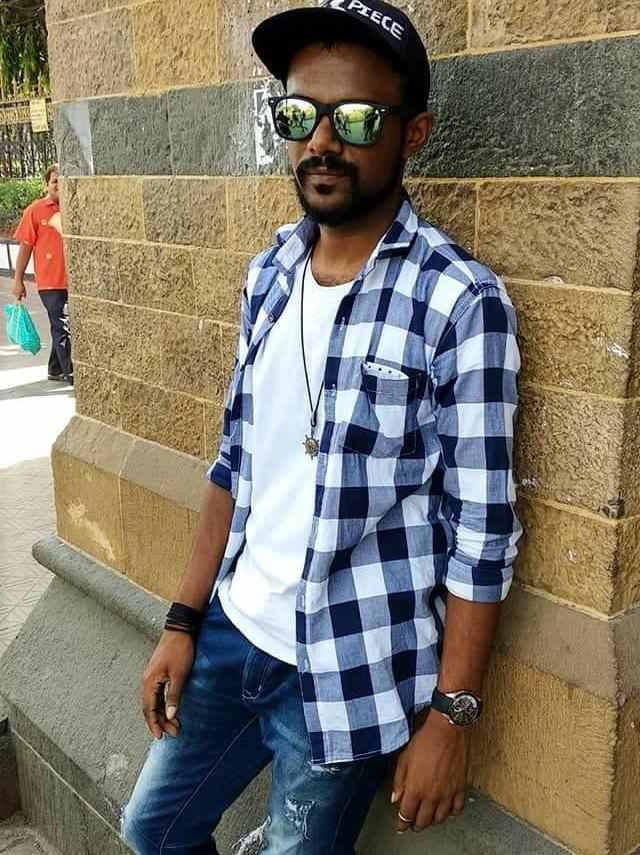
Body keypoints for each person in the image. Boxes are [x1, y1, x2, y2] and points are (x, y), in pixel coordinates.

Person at [121, 1, 521, 853]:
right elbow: (234, 463)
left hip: (346, 670)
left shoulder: (459, 300)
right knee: (151, 829)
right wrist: (182, 621)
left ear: (413, 134)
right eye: (299, 115)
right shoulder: (269, 272)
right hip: (232, 633)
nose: (323, 142)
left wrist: (452, 715)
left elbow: (483, 532)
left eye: (358, 118)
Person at [12, 164, 73, 385]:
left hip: (72, 282)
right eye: (55, 181)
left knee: (62, 324)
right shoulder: (35, 211)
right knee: (63, 326)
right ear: (47, 184)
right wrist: (18, 280)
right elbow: (25, 248)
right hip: (50, 284)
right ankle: (73, 376)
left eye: (62, 180)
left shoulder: (72, 207)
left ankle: (55, 368)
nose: (59, 185)